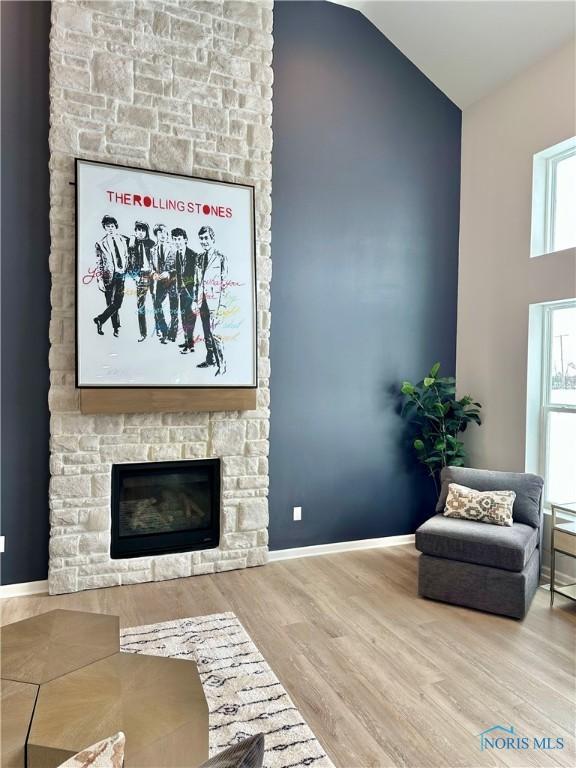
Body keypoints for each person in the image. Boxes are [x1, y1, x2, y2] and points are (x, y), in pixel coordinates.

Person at [195, 226, 228, 375]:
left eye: (206, 238)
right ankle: (210, 360)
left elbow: (225, 282)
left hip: (216, 301)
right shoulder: (199, 258)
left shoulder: (221, 257)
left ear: (212, 239)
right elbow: (198, 281)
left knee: (216, 334)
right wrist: (196, 301)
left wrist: (222, 305)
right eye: (201, 239)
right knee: (206, 332)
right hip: (203, 301)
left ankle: (222, 366)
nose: (204, 241)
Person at [93, 215, 129, 337]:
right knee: (110, 303)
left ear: (116, 226)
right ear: (104, 228)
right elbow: (99, 264)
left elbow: (128, 256)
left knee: (117, 303)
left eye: (112, 226)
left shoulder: (125, 240)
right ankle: (116, 328)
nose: (110, 228)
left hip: (121, 274)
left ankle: (100, 319)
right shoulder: (100, 243)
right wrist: (99, 280)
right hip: (107, 277)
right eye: (107, 226)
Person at [171, 228, 198, 354]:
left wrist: (195, 294)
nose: (177, 242)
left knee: (190, 318)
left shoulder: (193, 255)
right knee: (183, 317)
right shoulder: (177, 254)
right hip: (181, 291)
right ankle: (188, 341)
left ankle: (189, 345)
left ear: (185, 240)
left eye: (179, 239)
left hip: (191, 291)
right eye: (175, 239)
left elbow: (197, 276)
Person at [150, 224, 178, 344]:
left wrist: (169, 273)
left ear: (167, 235)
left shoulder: (174, 249)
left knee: (174, 308)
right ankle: (164, 331)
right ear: (156, 235)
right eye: (160, 233)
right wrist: (153, 274)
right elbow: (151, 266)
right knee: (157, 304)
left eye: (165, 233)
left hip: (172, 281)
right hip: (160, 282)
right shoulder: (152, 250)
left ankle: (173, 333)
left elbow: (179, 267)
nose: (162, 235)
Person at [129, 221, 156, 342]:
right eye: (138, 230)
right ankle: (143, 333)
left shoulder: (151, 243)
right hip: (141, 276)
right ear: (135, 231)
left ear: (146, 232)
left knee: (157, 302)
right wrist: (135, 276)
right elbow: (129, 263)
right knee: (140, 305)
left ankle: (159, 331)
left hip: (152, 274)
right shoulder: (132, 244)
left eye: (143, 230)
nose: (140, 233)